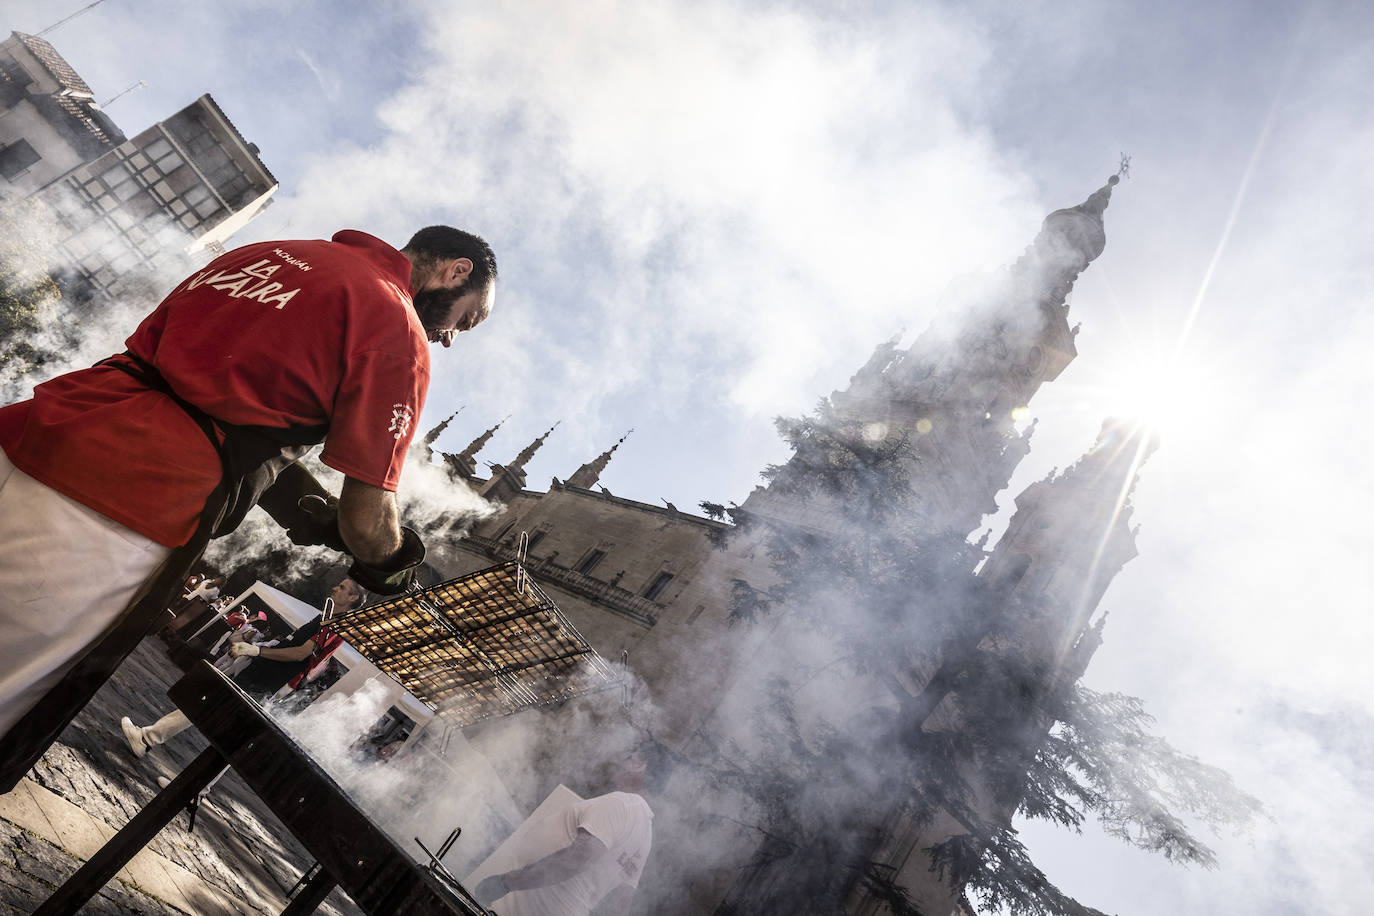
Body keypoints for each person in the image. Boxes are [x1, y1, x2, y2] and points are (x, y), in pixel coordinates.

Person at [0, 225, 497, 790]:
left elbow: (210, 400)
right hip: (122, 500)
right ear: (456, 272)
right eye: (466, 319)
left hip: (40, 426)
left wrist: (295, 501)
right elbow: (366, 517)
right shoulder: (396, 329)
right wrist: (391, 560)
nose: (451, 337)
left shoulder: (276, 252)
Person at [120, 576, 365, 756]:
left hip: (269, 680)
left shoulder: (335, 625)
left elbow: (301, 654)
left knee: (226, 726)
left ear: (353, 598)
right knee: (217, 716)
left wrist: (257, 649)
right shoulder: (327, 618)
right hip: (265, 673)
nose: (335, 587)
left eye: (342, 587)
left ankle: (151, 741)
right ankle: (152, 741)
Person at [472, 749, 664, 916]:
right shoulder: (645, 834)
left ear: (640, 765)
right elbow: (621, 905)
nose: (623, 764)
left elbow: (578, 857)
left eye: (630, 758)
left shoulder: (623, 805)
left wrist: (506, 883)